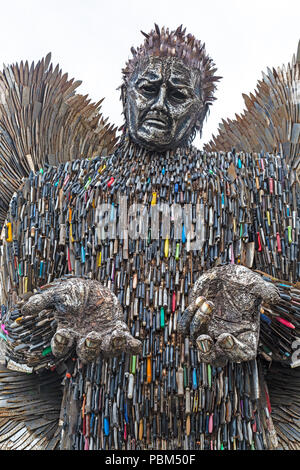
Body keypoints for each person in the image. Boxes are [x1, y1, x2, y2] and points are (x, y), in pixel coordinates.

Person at [0, 25, 299, 451]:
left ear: (200, 112)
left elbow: (295, 332)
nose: (159, 104)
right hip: (97, 437)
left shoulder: (256, 187)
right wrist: (55, 318)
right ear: (125, 93)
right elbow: (9, 335)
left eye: (177, 95)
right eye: (148, 88)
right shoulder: (54, 192)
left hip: (230, 434)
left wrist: (265, 306)